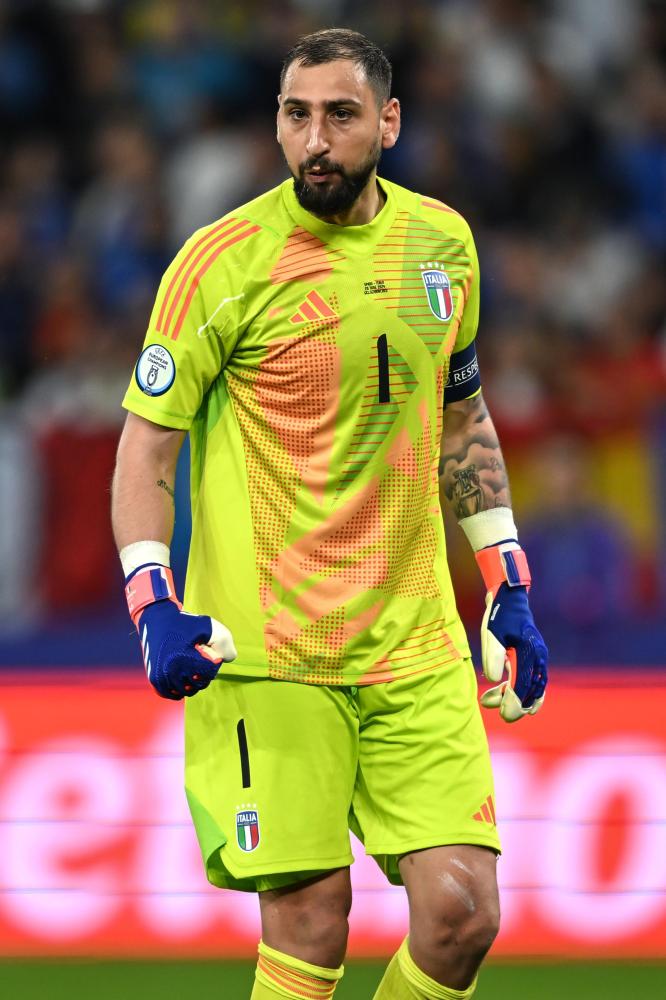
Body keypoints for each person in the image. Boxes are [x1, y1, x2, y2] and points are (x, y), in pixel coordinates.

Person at [111, 28, 548, 1000]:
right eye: (295, 115)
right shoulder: (221, 264)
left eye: (340, 115)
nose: (314, 140)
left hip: (414, 643)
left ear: (387, 123)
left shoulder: (444, 246)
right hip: (272, 650)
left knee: (464, 914)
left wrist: (507, 584)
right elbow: (145, 447)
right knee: (311, 923)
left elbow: (463, 416)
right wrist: (153, 601)